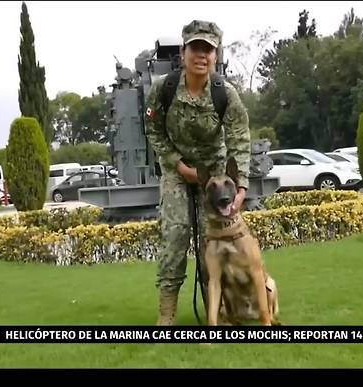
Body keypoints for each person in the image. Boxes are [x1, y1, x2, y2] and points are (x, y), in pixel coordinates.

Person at [143, 20, 251, 325]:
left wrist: (240, 187)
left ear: (216, 56)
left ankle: (219, 313)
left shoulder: (224, 94)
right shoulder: (163, 88)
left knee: (213, 243)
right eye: (196, 49)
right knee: (175, 237)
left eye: (209, 50)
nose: (202, 56)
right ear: (183, 52)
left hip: (214, 177)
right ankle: (167, 315)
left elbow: (240, 139)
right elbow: (152, 130)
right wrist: (177, 163)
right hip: (177, 171)